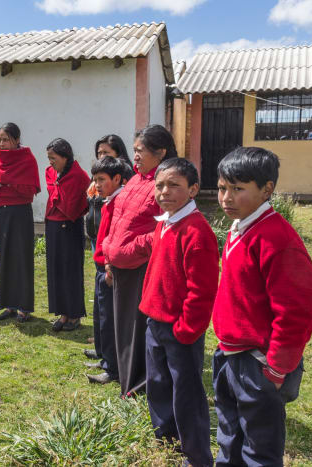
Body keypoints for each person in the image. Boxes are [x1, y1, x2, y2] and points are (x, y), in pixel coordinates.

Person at [212, 147, 312, 466]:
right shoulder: (239, 228)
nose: (226, 198)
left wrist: (276, 368)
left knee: (259, 448)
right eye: (221, 188)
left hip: (257, 363)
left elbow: (295, 312)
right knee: (229, 437)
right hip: (229, 354)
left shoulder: (277, 240)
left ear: (267, 189)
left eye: (238, 189)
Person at [139, 157, 218, 466]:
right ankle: (167, 438)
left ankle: (196, 455)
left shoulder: (196, 231)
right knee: (158, 384)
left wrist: (187, 329)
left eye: (174, 185)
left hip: (180, 329)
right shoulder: (166, 224)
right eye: (159, 185)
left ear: (193, 189)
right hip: (154, 322)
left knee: (185, 393)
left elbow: (202, 291)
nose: (164, 192)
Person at [102, 124, 176, 397]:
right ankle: (127, 382)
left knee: (137, 329)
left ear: (161, 153)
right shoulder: (135, 180)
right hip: (121, 264)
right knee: (124, 328)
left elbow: (163, 229)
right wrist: (111, 252)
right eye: (133, 151)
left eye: (140, 151)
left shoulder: (164, 185)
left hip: (141, 266)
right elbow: (118, 220)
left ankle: (139, 385)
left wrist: (131, 249)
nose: (134, 156)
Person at [0, 123, 41, 323]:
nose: (2, 143)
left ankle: (24, 307)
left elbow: (30, 190)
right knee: (4, 256)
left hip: (21, 212)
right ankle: (9, 304)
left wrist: (8, 182)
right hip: (2, 213)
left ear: (16, 140)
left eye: (6, 139)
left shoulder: (27, 159)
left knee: (22, 258)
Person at [84, 135, 134, 361]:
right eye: (99, 153)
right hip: (99, 249)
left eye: (106, 153)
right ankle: (103, 351)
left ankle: (111, 361)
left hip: (110, 257)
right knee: (101, 307)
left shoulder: (121, 195)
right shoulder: (104, 193)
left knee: (110, 309)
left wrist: (109, 262)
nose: (102, 157)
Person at [85, 156, 126, 384]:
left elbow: (116, 236)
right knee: (103, 315)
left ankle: (113, 368)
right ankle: (107, 360)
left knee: (110, 318)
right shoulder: (108, 200)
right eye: (95, 179)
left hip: (109, 267)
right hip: (102, 264)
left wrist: (109, 263)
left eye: (101, 179)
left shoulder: (120, 202)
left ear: (117, 178)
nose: (97, 184)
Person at [44, 138, 90, 331]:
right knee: (56, 270)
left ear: (65, 157)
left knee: (70, 270)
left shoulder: (79, 175)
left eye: (53, 158)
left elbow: (83, 200)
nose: (50, 162)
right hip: (53, 225)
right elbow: (53, 191)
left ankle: (74, 315)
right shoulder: (50, 172)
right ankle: (62, 313)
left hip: (70, 226)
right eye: (48, 158)